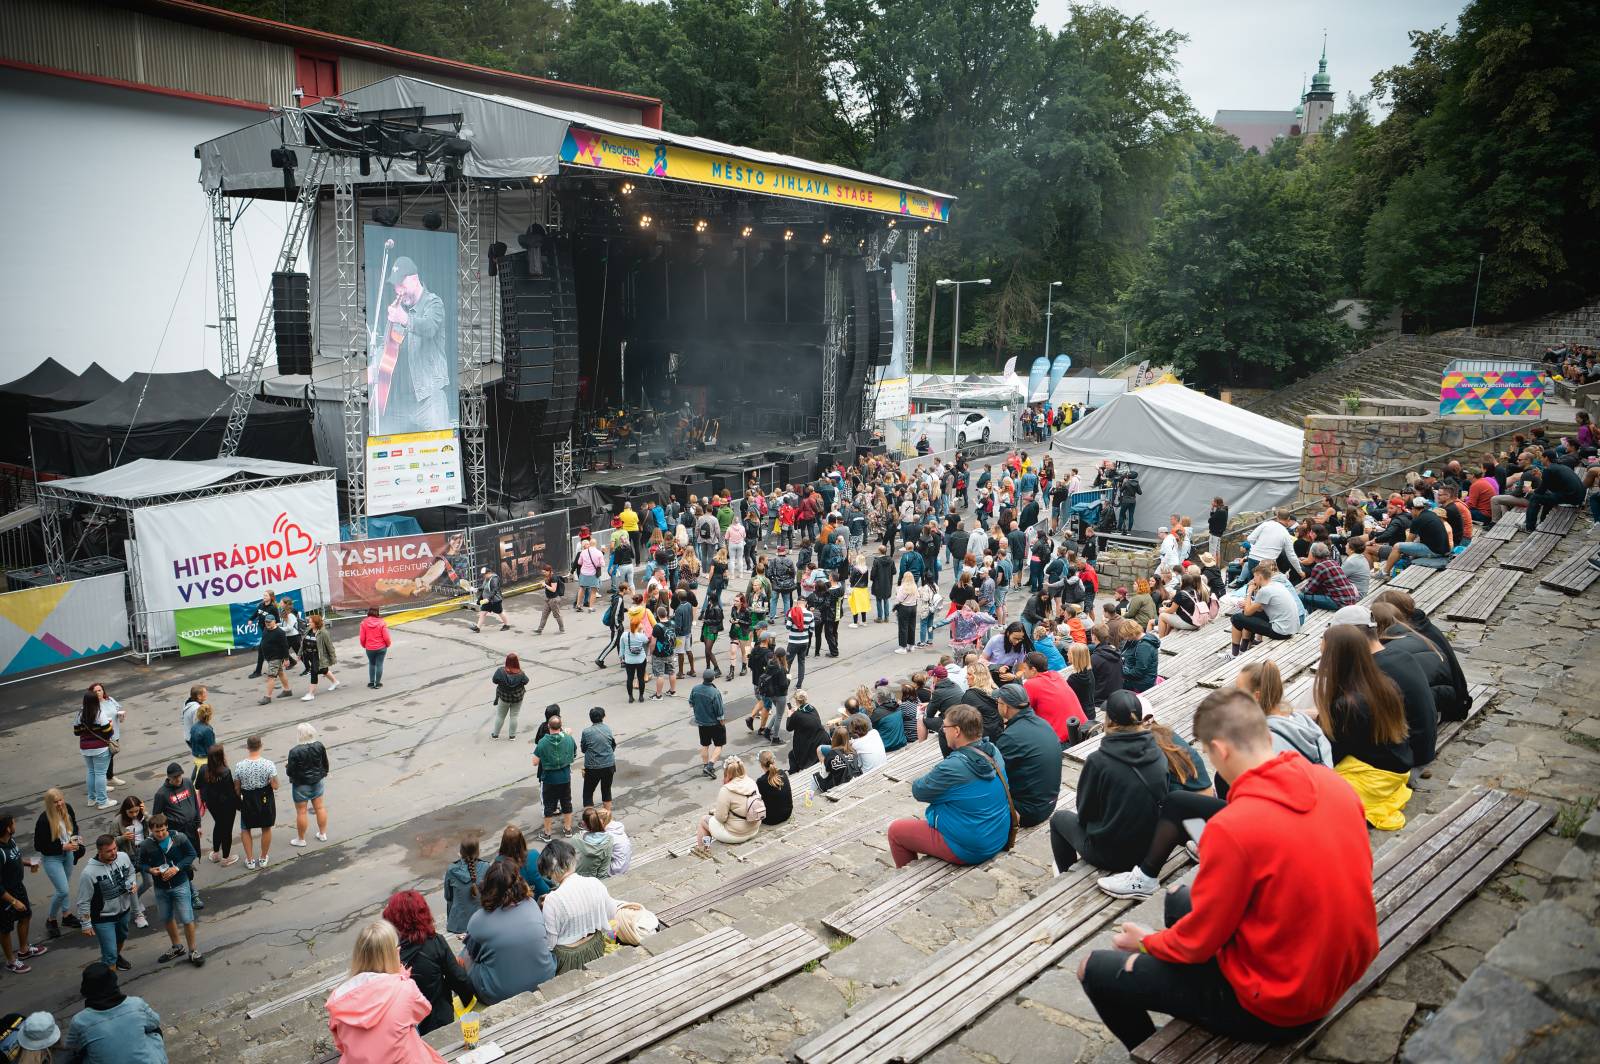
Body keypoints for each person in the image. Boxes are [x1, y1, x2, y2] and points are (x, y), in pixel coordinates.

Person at [1077, 689, 1378, 1050]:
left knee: (1093, 968)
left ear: (1220, 750)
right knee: (1178, 899)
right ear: (1266, 733)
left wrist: (1146, 944)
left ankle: (1153, 1052)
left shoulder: (1234, 827)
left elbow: (1195, 943)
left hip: (1281, 1004)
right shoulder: (1334, 785)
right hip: (1336, 969)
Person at [1049, 692, 1166, 874]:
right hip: (1148, 848)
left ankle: (1065, 873)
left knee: (1058, 819)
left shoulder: (1099, 761)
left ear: (1109, 721)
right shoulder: (1157, 752)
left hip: (1112, 855)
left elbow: (1085, 811)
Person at [887, 706, 1012, 867]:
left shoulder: (953, 767)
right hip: (998, 835)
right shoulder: (993, 751)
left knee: (896, 831)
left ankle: (905, 879)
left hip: (971, 849)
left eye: (945, 727)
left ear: (957, 731)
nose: (943, 731)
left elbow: (918, 790)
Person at [1317, 623, 1414, 829]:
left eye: (1324, 656)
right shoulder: (1384, 683)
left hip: (1374, 778)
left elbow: (1331, 756)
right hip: (1398, 766)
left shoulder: (1347, 705)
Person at [325, 919, 447, 1064]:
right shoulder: (404, 987)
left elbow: (340, 1044)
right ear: (395, 952)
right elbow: (423, 1010)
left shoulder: (338, 998)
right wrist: (400, 977)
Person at [461, 860, 556, 1005]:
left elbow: (473, 954)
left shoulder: (477, 920)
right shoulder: (531, 904)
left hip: (499, 994)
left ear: (487, 887)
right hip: (545, 977)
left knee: (465, 954)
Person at [381, 892, 475, 1038]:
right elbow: (458, 978)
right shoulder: (435, 942)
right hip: (436, 1020)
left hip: (402, 1026)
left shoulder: (386, 950)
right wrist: (468, 998)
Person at [538, 840, 620, 974]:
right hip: (596, 946)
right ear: (572, 860)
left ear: (551, 873)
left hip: (568, 958)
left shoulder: (552, 900)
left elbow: (550, 944)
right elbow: (612, 913)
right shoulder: (595, 883)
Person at [61, 963, 167, 1063]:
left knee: (81, 1054)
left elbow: (70, 1050)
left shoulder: (80, 1021)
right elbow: (155, 1022)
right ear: (113, 982)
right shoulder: (135, 1004)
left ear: (86, 989)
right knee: (154, 1030)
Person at [134, 813, 203, 967]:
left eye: (164, 830)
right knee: (166, 918)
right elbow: (140, 864)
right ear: (151, 830)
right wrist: (151, 870)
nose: (161, 834)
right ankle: (177, 947)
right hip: (161, 888)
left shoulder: (179, 838)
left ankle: (193, 950)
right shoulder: (146, 845)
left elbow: (191, 854)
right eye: (157, 831)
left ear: (167, 827)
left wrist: (177, 868)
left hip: (180, 884)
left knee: (187, 918)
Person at [993, 684, 1063, 827]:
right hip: (1049, 803)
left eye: (998, 702)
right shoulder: (1042, 723)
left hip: (1028, 812)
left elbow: (991, 774)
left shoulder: (1011, 737)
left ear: (1005, 707)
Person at [74, 836, 136, 971]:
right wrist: (85, 924)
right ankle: (110, 987)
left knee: (121, 938)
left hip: (124, 911)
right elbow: (83, 901)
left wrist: (132, 883)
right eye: (109, 851)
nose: (114, 853)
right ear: (99, 851)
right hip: (103, 918)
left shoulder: (123, 857)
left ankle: (116, 956)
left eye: (115, 848)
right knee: (109, 955)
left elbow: (131, 872)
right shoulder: (89, 873)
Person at [149, 762, 205, 911]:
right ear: (169, 778)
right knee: (182, 863)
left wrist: (198, 824)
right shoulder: (161, 794)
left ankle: (186, 889)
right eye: (175, 777)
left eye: (179, 775)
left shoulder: (187, 782)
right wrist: (162, 835)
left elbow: (194, 803)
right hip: (177, 834)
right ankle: (192, 894)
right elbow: (156, 817)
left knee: (191, 857)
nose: (178, 779)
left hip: (192, 829)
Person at [32, 789, 81, 940]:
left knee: (64, 885)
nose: (60, 804)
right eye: (55, 802)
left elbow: (75, 826)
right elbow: (39, 846)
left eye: (60, 800)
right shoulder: (43, 821)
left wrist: (75, 839)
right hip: (52, 858)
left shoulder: (68, 808)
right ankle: (51, 919)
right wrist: (62, 847)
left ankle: (66, 915)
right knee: (63, 890)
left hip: (68, 854)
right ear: (49, 804)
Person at [0, 815, 45, 974]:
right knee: (5, 929)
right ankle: (11, 961)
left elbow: (15, 858)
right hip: (5, 895)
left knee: (26, 915)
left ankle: (24, 950)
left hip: (18, 887)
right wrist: (13, 901)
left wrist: (28, 863)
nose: (15, 825)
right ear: (7, 828)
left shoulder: (10, 841)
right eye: (13, 823)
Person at [692, 756, 764, 856]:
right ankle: (704, 848)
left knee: (703, 820)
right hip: (754, 829)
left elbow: (721, 818)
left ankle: (704, 849)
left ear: (727, 772)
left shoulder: (726, 790)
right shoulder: (752, 782)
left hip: (735, 834)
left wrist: (716, 812)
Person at [1229, 561, 1298, 655]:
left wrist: (1249, 591)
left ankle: (1234, 654)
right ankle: (1243, 649)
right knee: (1251, 614)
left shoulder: (1265, 590)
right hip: (1290, 629)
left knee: (1236, 618)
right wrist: (1248, 605)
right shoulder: (1277, 585)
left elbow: (1247, 612)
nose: (1253, 579)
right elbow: (1259, 608)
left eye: (1254, 577)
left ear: (1260, 577)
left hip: (1280, 632)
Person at [1017, 652, 1086, 742]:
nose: (1023, 671)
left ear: (1033, 670)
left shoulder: (1031, 684)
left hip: (1064, 739)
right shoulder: (1056, 675)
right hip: (1083, 729)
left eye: (1024, 668)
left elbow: (1022, 711)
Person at [233, 736, 279, 869]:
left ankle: (250, 860)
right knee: (266, 827)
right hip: (265, 799)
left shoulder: (239, 766)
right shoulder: (269, 764)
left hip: (247, 800)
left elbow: (236, 787)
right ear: (261, 746)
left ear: (247, 747)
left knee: (245, 828)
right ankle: (263, 858)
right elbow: (275, 786)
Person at [533, 716, 578, 842]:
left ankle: (547, 833)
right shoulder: (568, 739)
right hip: (565, 777)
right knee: (566, 802)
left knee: (548, 806)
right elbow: (574, 753)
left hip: (549, 779)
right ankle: (568, 829)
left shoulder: (542, 742)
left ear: (548, 726)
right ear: (560, 726)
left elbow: (535, 762)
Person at [1379, 496, 1451, 575]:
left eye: (1410, 510)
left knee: (1397, 546)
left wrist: (1401, 553)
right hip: (1444, 549)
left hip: (1435, 551)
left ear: (1414, 509)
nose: (1410, 513)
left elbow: (1409, 541)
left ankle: (1384, 572)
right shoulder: (1432, 514)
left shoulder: (1418, 519)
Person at [286, 723, 331, 848]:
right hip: (317, 781)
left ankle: (301, 839)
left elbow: (290, 771)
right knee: (320, 808)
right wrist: (324, 773)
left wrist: (287, 766)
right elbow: (325, 763)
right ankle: (322, 833)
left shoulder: (295, 751)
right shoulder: (319, 746)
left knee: (301, 812)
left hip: (301, 785)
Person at [197, 746, 240, 867]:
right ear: (221, 756)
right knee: (227, 831)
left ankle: (215, 853)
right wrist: (239, 804)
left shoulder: (203, 769)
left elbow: (198, 785)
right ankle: (226, 858)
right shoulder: (225, 772)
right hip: (227, 806)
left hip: (212, 805)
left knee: (219, 825)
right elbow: (230, 792)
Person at [74, 691, 116, 811]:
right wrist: (110, 725)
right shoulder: (99, 714)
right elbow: (108, 732)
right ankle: (103, 801)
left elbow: (76, 732)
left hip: (85, 748)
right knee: (100, 774)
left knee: (91, 772)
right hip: (100, 748)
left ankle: (91, 798)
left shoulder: (80, 714)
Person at [444, 837, 490, 936]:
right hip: (482, 919)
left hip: (460, 923)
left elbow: (448, 896)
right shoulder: (486, 867)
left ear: (461, 852)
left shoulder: (451, 870)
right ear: (478, 851)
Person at [690, 669, 726, 778]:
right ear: (713, 678)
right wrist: (722, 723)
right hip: (714, 723)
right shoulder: (715, 692)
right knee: (719, 745)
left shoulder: (695, 689)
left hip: (701, 723)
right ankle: (710, 766)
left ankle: (705, 765)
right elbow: (719, 712)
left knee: (704, 745)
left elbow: (691, 703)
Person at [579, 707, 617, 812]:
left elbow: (583, 749)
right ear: (603, 717)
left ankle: (589, 820)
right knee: (606, 790)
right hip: (609, 765)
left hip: (592, 767)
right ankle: (607, 817)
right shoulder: (607, 729)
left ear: (590, 718)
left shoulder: (586, 732)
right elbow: (612, 745)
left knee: (588, 792)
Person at [783, 690, 827, 774]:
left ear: (796, 701)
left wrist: (789, 715)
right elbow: (804, 715)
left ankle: (794, 771)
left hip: (810, 743)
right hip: (821, 739)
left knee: (792, 755)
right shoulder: (812, 708)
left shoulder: (797, 715)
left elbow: (789, 728)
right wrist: (797, 710)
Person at [490, 653, 529, 740]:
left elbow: (494, 680)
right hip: (517, 698)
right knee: (514, 716)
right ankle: (512, 736)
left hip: (504, 697)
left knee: (500, 716)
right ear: (516, 662)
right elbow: (526, 681)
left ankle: (495, 735)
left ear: (507, 661)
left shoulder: (500, 671)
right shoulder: (521, 673)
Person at [256, 615, 294, 705]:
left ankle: (267, 697)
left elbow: (285, 647)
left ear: (274, 621)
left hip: (276, 657)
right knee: (280, 672)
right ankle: (287, 690)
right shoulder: (265, 629)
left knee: (271, 676)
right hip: (269, 657)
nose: (267, 623)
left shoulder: (280, 632)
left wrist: (286, 659)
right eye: (266, 622)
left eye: (269, 622)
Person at [1119, 619, 1161, 694]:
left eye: (1125, 636)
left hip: (1141, 684)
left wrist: (1120, 670)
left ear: (1131, 633)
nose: (1124, 638)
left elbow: (1138, 672)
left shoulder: (1144, 646)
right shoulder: (1136, 640)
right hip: (1134, 676)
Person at [755, 750, 793, 827]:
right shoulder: (782, 773)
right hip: (787, 813)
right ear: (774, 761)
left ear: (761, 765)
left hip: (771, 819)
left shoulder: (761, 781)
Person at [574, 807, 614, 879]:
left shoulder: (576, 839)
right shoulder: (609, 840)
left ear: (583, 823)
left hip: (576, 879)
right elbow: (602, 872)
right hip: (593, 880)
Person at [619, 612, 650, 703]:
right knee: (640, 678)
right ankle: (641, 696)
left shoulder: (624, 635)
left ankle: (630, 697)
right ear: (638, 625)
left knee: (630, 678)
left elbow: (622, 648)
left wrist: (621, 658)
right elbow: (646, 640)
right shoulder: (641, 636)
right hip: (640, 659)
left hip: (629, 660)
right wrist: (642, 631)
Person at [359, 607, 391, 689]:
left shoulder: (364, 623)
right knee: (379, 664)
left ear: (368, 612)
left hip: (369, 648)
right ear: (378, 613)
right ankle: (378, 683)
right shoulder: (382, 622)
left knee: (372, 663)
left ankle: (371, 682)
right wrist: (388, 644)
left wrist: (364, 645)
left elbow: (362, 638)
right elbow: (386, 637)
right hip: (381, 647)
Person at [472, 565, 509, 633]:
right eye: (483, 575)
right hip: (487, 600)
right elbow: (484, 587)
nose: (483, 576)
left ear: (489, 573)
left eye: (484, 574)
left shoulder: (494, 579)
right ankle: (478, 628)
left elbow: (494, 591)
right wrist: (476, 589)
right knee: (483, 613)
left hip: (495, 601)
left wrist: (488, 599)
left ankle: (506, 625)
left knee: (500, 612)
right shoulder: (487, 578)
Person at [186, 702, 215, 784]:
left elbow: (191, 741)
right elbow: (211, 748)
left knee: (194, 777)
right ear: (209, 715)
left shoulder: (194, 727)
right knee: (199, 782)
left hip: (197, 756)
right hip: (204, 760)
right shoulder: (207, 730)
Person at [1065, 643, 1096, 716]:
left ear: (1074, 657)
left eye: (1069, 653)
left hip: (1080, 715)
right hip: (1091, 712)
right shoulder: (1090, 672)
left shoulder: (1073, 679)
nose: (1067, 654)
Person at [536, 563, 567, 634]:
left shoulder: (553, 578)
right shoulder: (548, 577)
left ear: (549, 571)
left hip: (554, 600)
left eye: (545, 572)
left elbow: (553, 589)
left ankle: (562, 629)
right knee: (544, 614)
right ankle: (539, 629)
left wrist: (545, 585)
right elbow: (548, 586)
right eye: (543, 572)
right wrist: (544, 585)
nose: (543, 573)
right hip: (548, 599)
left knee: (556, 615)